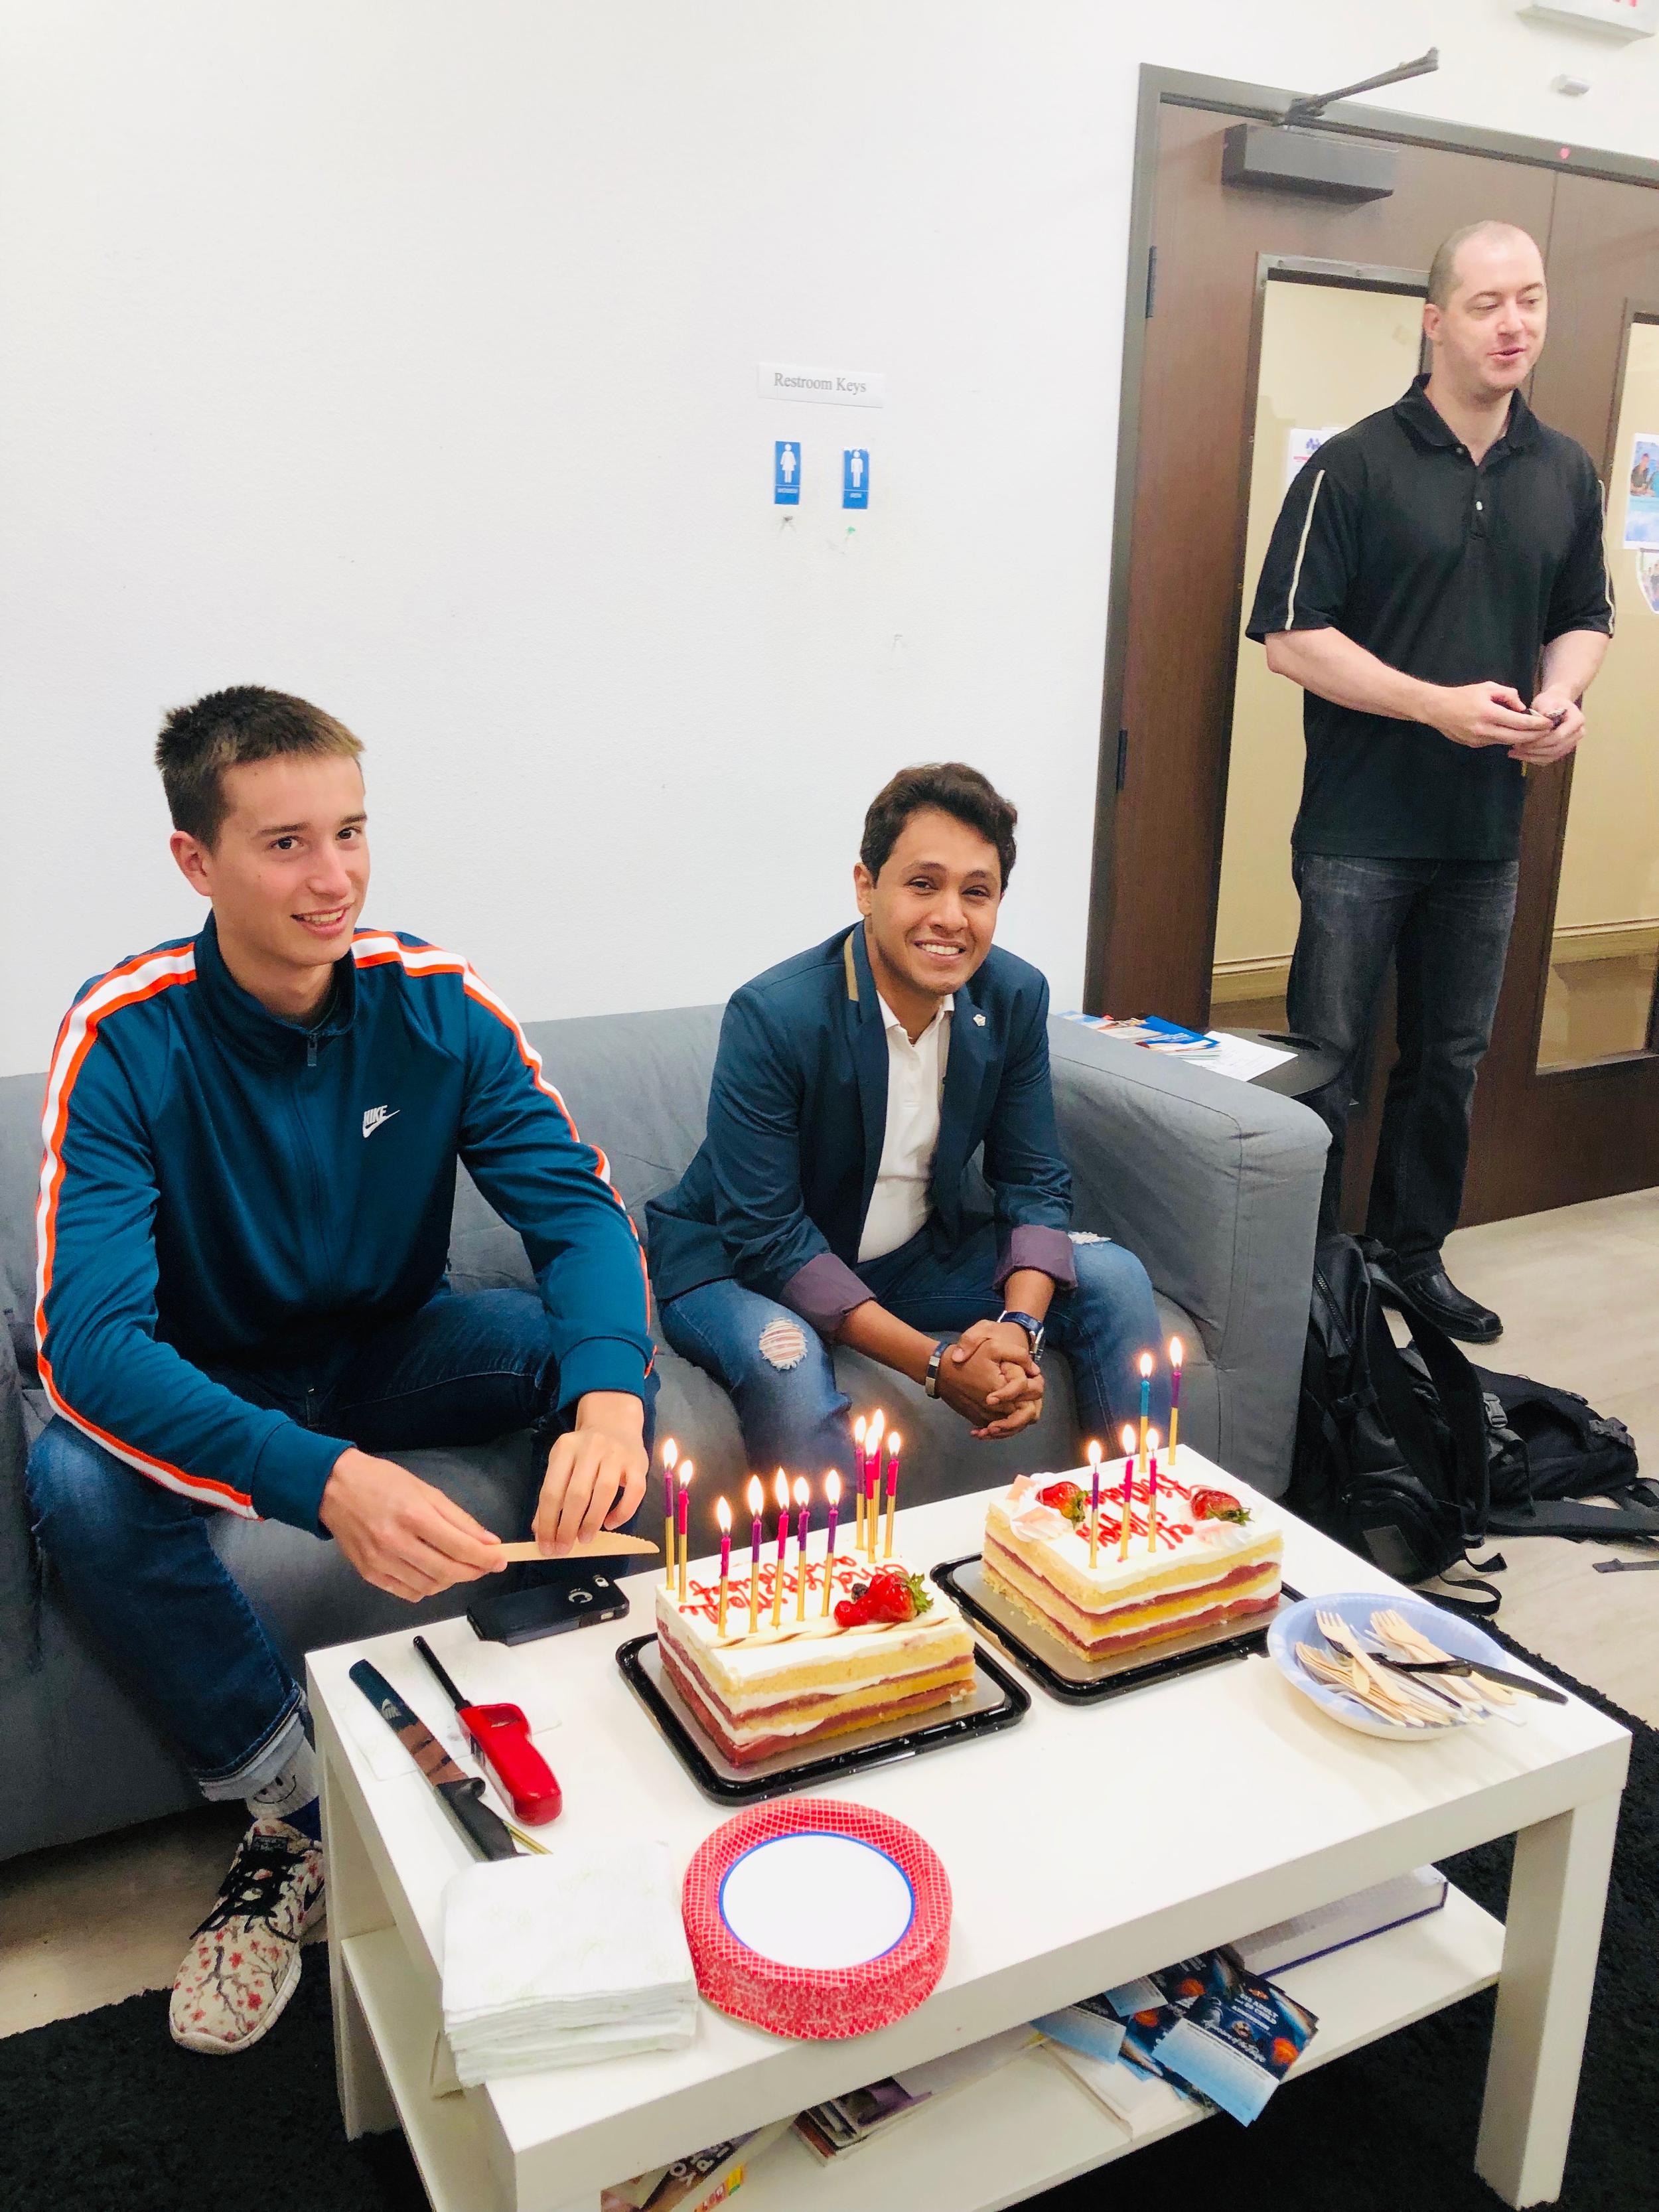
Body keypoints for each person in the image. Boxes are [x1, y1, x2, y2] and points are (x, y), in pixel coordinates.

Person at [26, 688, 655, 2053]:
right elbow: (89, 1346)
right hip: (215, 1380)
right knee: (71, 1476)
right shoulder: (125, 1033)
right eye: (287, 843)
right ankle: (298, 1817)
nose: (335, 878)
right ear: (196, 861)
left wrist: (612, 1392)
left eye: (353, 833)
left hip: (386, 1351)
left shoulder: (435, 1003)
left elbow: (576, 1212)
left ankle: (576, 1720)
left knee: (575, 1360)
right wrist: (324, 1482)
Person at [1248, 220, 1612, 1342]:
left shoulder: (1563, 469)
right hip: (1360, 828)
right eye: (1490, 302)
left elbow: (1584, 617)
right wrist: (1434, 703)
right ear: (1435, 319)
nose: (1515, 324)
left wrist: (1564, 701)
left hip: (1484, 834)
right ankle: (1309, 1280)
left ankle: (1410, 1258)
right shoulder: (1350, 466)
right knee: (1329, 1059)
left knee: (1448, 1061)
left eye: (1532, 300)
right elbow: (1289, 638)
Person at [646, 762, 1163, 1478]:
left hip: (911, 1259)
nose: (950, 916)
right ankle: (838, 1590)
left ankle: (1135, 1543)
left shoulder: (1011, 995)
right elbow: (768, 1238)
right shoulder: (775, 1015)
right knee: (787, 1367)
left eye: (975, 892)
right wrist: (936, 1366)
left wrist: (1017, 1329)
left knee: (1113, 1274)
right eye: (923, 884)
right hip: (736, 1270)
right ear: (866, 886)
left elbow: (1034, 1181)